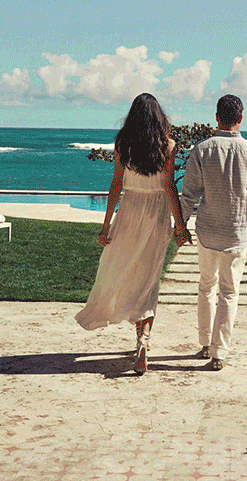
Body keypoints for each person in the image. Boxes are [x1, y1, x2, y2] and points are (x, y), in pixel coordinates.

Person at [75, 93, 192, 375]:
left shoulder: (123, 144)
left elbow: (116, 185)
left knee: (127, 273)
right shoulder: (168, 146)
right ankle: (143, 338)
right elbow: (169, 187)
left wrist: (106, 225)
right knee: (149, 278)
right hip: (156, 214)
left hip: (129, 211)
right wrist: (180, 226)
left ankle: (138, 333)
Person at [180, 94, 247, 371]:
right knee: (229, 292)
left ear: (216, 117)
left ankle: (205, 342)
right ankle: (219, 351)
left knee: (206, 285)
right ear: (240, 118)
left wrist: (180, 224)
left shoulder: (201, 150)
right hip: (236, 230)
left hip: (207, 229)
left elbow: (189, 193)